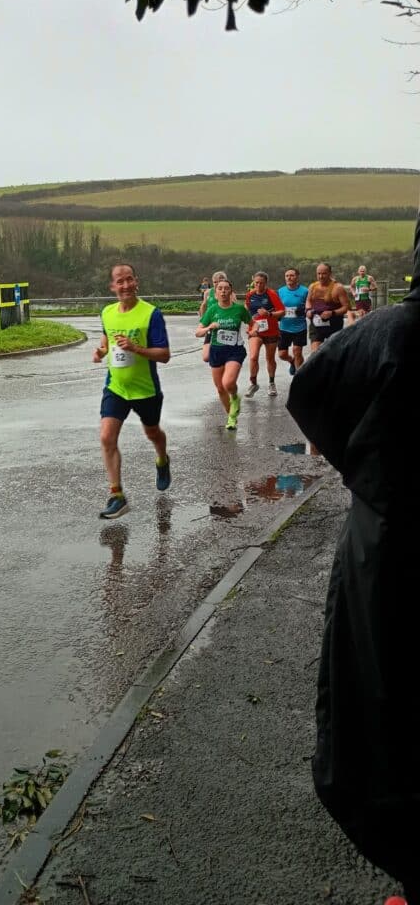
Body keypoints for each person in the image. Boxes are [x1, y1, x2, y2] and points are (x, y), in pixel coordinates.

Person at [287, 218, 420, 905]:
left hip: (388, 543)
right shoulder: (392, 333)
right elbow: (309, 395)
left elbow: (312, 398)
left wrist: (365, 476)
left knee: (385, 695)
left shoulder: (391, 332)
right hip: (387, 533)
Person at [93, 264, 171, 520]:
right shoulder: (107, 313)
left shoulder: (151, 314)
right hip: (116, 386)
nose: (125, 285)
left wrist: (137, 349)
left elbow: (164, 355)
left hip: (145, 389)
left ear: (136, 282)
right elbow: (107, 341)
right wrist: (101, 351)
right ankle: (117, 495)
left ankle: (162, 459)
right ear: (112, 286)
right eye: (119, 281)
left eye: (129, 280)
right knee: (106, 437)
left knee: (153, 433)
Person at [195, 278, 252, 430]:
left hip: (234, 350)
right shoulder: (212, 310)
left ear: (231, 292)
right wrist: (209, 327)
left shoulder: (239, 309)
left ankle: (234, 397)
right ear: (216, 292)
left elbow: (252, 323)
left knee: (228, 383)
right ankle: (231, 416)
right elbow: (198, 332)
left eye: (226, 288)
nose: (223, 291)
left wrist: (254, 330)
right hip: (216, 350)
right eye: (220, 289)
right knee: (220, 388)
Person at [244, 271, 284, 397]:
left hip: (271, 331)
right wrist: (248, 326)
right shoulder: (250, 295)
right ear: (253, 283)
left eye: (261, 283)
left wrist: (269, 314)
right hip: (256, 331)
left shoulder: (271, 294)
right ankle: (253, 383)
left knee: (270, 358)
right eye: (256, 283)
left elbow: (282, 311)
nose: (259, 285)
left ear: (266, 283)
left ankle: (272, 383)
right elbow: (248, 313)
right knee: (253, 357)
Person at [305, 262, 350, 352]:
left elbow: (346, 307)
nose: (321, 276)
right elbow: (308, 300)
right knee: (315, 354)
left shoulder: (338, 288)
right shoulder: (313, 286)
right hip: (316, 324)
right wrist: (308, 310)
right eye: (319, 274)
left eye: (324, 273)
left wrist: (332, 313)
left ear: (330, 273)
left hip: (334, 324)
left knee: (333, 354)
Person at [277, 267, 308, 376]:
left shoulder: (305, 291)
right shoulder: (280, 291)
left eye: (292, 275)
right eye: (287, 276)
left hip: (299, 327)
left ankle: (299, 377)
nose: (289, 278)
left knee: (297, 351)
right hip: (284, 327)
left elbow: (310, 306)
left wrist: (304, 311)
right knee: (282, 354)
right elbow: (276, 307)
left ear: (297, 277)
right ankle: (292, 362)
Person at [198, 270, 231, 363]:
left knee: (224, 354)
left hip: (225, 326)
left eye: (219, 281)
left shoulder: (230, 293)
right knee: (206, 357)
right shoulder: (208, 292)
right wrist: (203, 320)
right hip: (211, 326)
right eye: (215, 282)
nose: (217, 284)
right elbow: (203, 305)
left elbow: (234, 308)